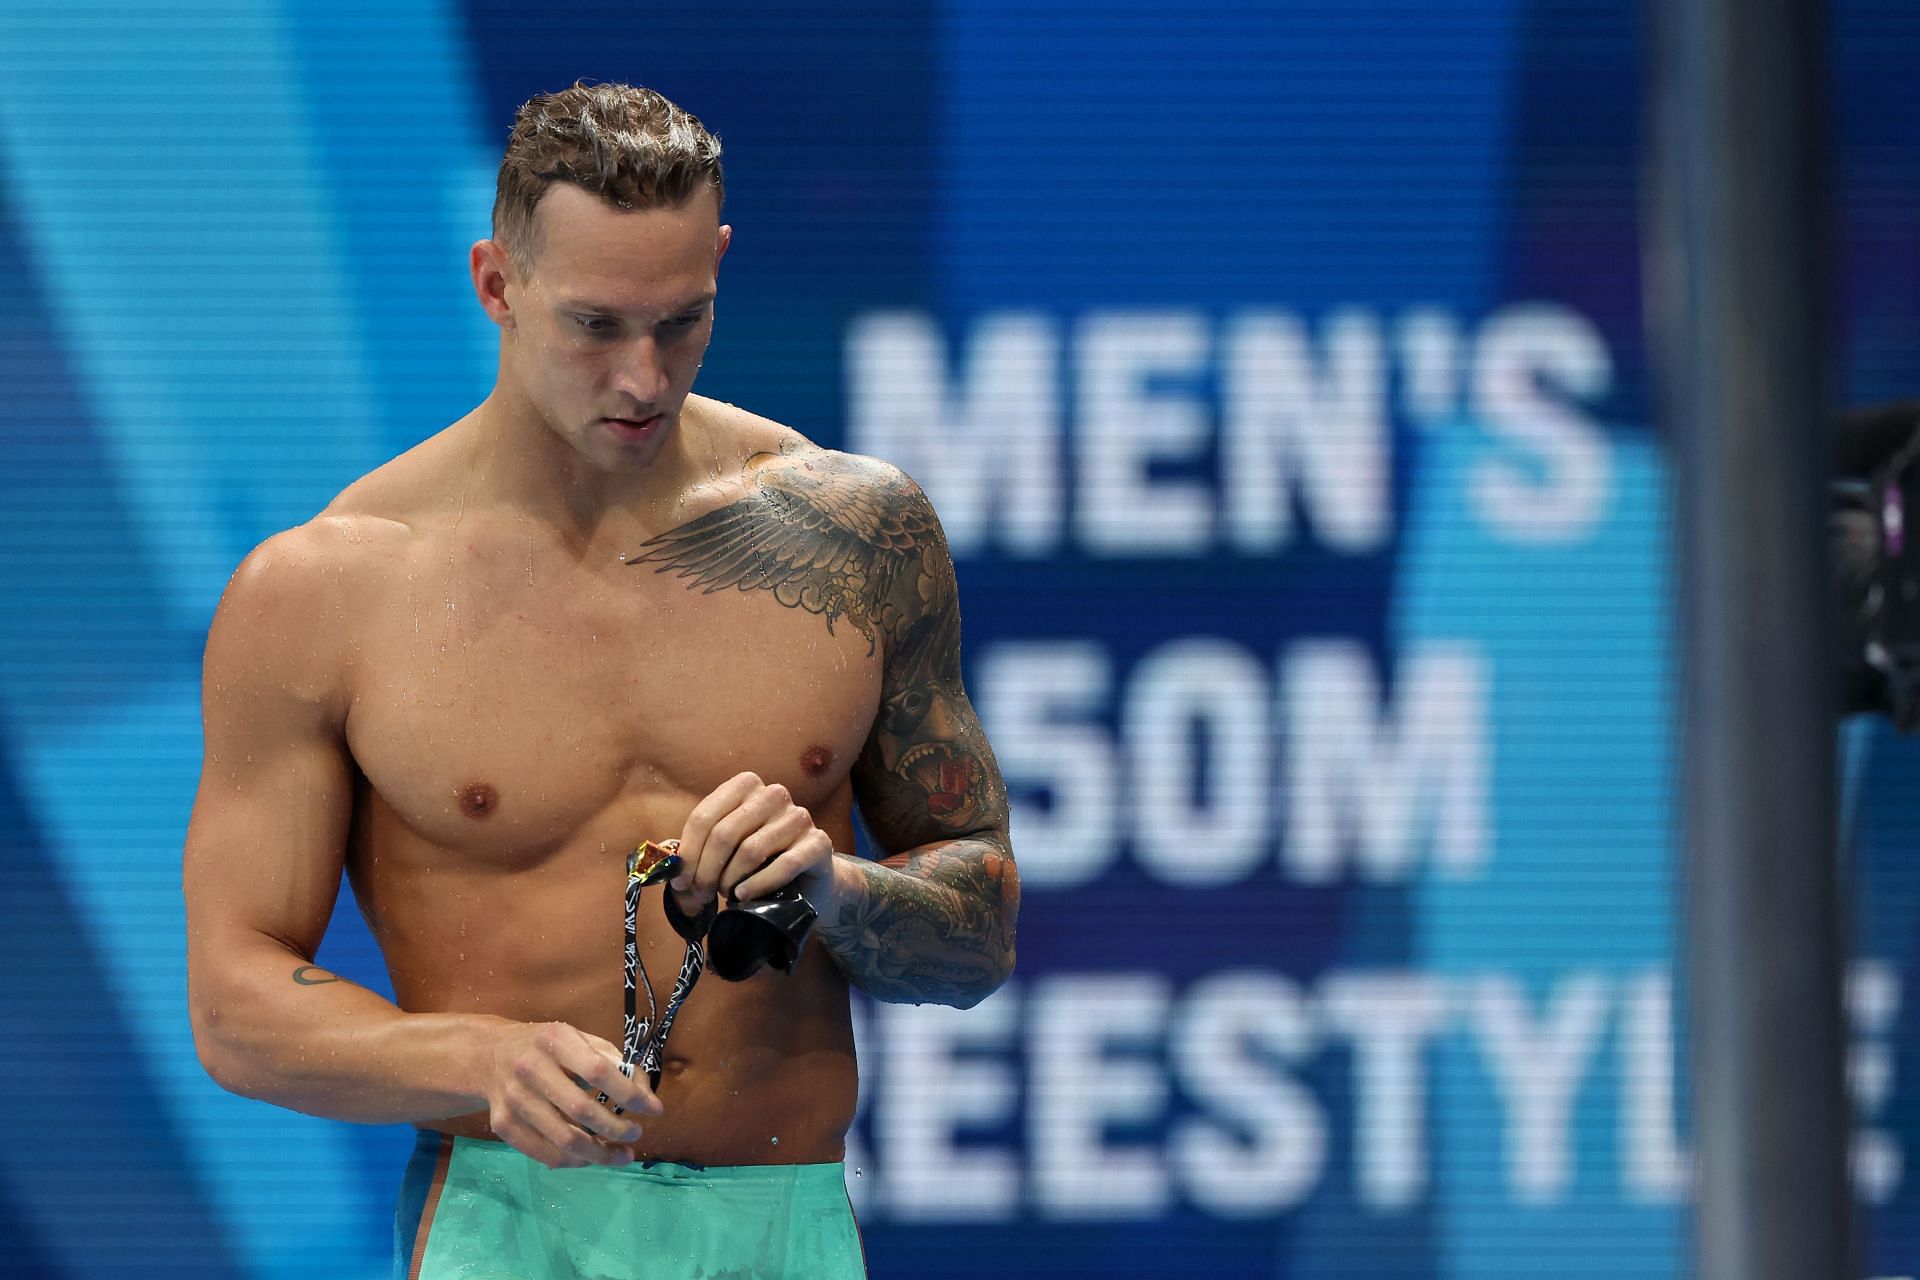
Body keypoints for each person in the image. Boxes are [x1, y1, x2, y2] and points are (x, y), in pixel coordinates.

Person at [183, 81, 1018, 1279]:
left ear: (722, 260)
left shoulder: (853, 536)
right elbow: (234, 1003)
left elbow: (980, 927)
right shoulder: (326, 591)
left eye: (683, 320)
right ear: (495, 283)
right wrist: (480, 1058)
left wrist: (835, 891)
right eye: (594, 325)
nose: (643, 376)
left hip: (784, 1220)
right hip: (508, 1222)